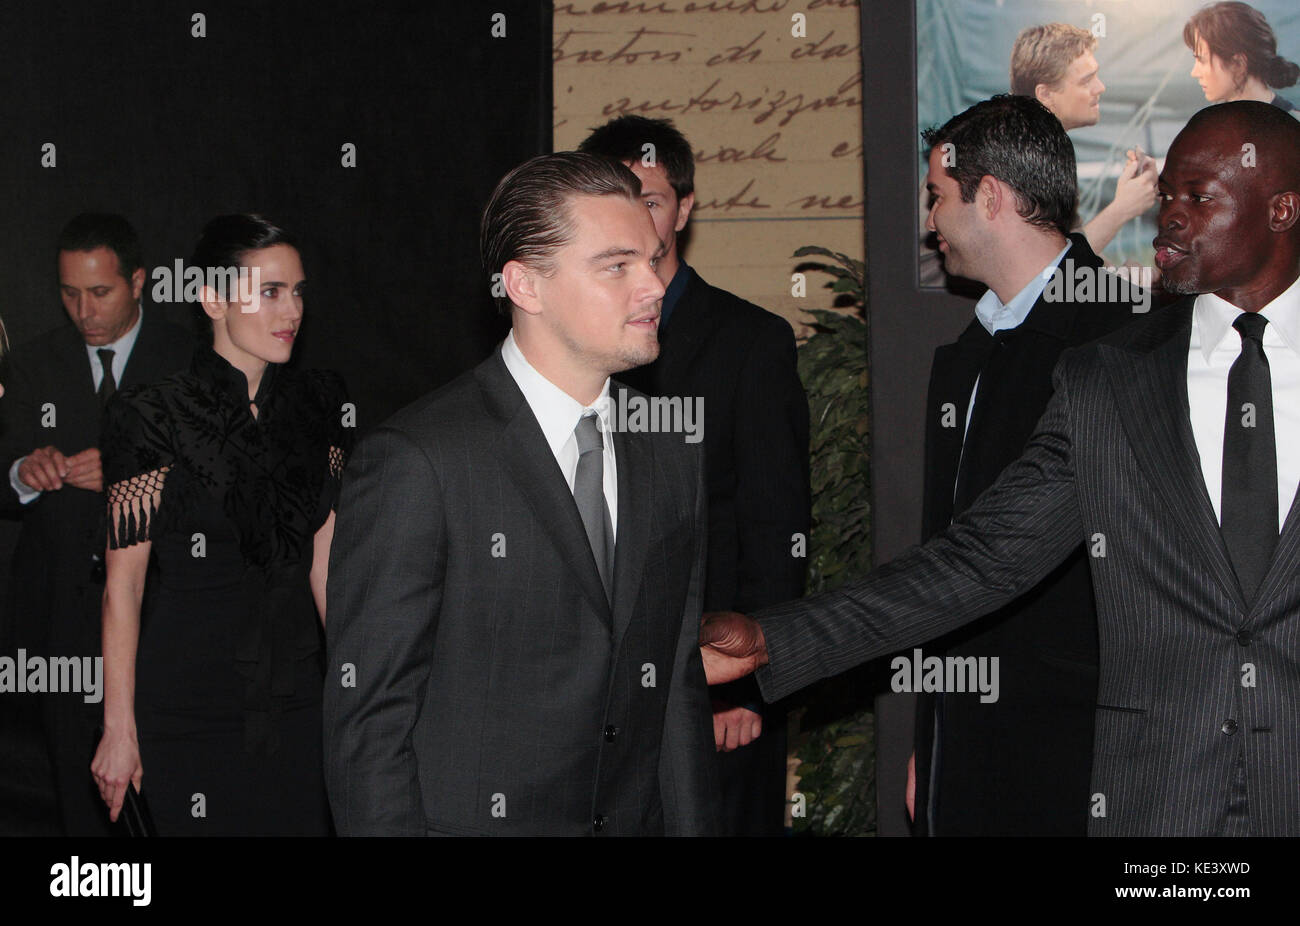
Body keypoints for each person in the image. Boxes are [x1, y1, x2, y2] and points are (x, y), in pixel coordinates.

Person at [702, 100, 1300, 836]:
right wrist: (773, 640)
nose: (1169, 219)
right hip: (1162, 805)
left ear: (1282, 209)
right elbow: (981, 560)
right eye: (1166, 194)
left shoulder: (1102, 328)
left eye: (1197, 197)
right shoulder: (1112, 377)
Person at [323, 151, 719, 836]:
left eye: (652, 260)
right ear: (525, 286)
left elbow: (674, 689)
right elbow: (369, 725)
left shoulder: (670, 448)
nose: (654, 285)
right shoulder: (419, 460)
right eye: (617, 265)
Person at [910, 95, 1143, 835]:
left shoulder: (1125, 342)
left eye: (936, 198)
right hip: (967, 749)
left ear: (990, 196)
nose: (928, 223)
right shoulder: (963, 360)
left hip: (1082, 756)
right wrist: (932, 741)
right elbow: (942, 566)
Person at [578, 115, 810, 836]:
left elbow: (777, 524)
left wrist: (749, 686)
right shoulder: (573, 339)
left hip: (714, 689)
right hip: (594, 697)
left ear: (684, 207)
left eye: (649, 199)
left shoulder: (750, 343)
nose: (635, 219)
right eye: (614, 201)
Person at [91, 214, 351, 835]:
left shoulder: (321, 404)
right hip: (186, 707)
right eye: (269, 291)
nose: (291, 309)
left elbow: (325, 564)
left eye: (297, 291)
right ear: (211, 298)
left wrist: (357, 691)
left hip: (300, 705)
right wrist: (118, 730)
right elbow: (122, 586)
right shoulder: (150, 414)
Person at [0, 214, 192, 836]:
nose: (83, 310)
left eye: (100, 292)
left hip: (162, 614)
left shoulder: (189, 363)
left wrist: (134, 471)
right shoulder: (30, 365)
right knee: (72, 797)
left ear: (138, 281)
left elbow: (223, 486)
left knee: (163, 787)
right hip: (57, 621)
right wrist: (24, 474)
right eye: (69, 292)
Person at [1009, 23, 1159, 254]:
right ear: (1046, 95)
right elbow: (1052, 266)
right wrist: (1123, 207)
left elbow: (1068, 250)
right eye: (1086, 81)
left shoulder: (1040, 146)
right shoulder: (1019, 157)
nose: (1100, 87)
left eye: (1096, 76)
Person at [1185, 2, 1300, 117]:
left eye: (1202, 60)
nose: (1194, 73)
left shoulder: (1292, 128)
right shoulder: (1211, 124)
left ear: (1238, 64)